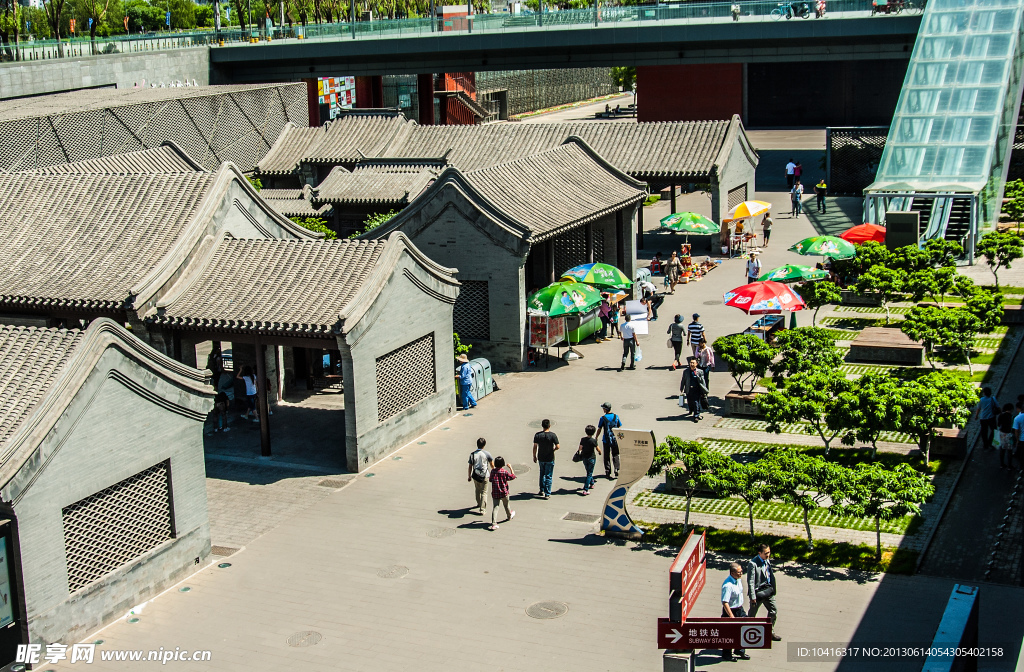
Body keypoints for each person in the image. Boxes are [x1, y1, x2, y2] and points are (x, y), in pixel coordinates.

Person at [747, 544, 782, 641]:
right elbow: (750, 581)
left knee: (773, 611)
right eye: (766, 553)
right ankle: (746, 632)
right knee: (752, 615)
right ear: (760, 553)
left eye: (769, 552)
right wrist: (752, 597)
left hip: (768, 591)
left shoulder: (767, 560)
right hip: (758, 594)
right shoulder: (753, 564)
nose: (768, 555)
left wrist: (773, 588)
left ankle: (770, 632)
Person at [721, 562, 751, 661]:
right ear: (732, 573)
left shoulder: (738, 580)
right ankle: (727, 654)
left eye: (741, 571)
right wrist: (731, 617)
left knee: (744, 628)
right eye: (739, 572)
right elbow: (725, 602)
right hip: (731, 611)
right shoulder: (728, 585)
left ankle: (740, 650)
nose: (741, 573)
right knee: (729, 633)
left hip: (739, 609)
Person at [533, 419, 559, 499]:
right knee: (549, 475)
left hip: (541, 457)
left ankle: (542, 490)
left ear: (542, 426)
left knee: (542, 474)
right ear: (549, 426)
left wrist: (534, 455)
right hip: (550, 457)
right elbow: (558, 446)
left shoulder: (537, 435)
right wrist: (553, 450)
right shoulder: (553, 435)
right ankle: (547, 493)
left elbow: (535, 446)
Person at [488, 456, 516, 531]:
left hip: (495, 492)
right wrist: (510, 468)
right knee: (506, 505)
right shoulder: (504, 472)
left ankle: (493, 523)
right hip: (504, 492)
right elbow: (513, 476)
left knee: (495, 507)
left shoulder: (493, 471)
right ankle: (509, 516)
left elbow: (490, 480)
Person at [468, 438, 493, 514]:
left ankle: (478, 503)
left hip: (475, 475)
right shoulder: (487, 454)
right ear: (484, 445)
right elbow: (492, 464)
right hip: (485, 475)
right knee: (484, 492)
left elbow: (470, 466)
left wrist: (469, 476)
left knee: (477, 490)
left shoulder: (472, 454)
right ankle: (482, 509)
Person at [597, 402, 622, 478]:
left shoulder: (603, 418)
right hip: (615, 439)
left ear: (605, 409)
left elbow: (599, 429)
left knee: (606, 456)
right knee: (615, 454)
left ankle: (608, 471)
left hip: (606, 440)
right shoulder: (616, 416)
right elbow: (620, 426)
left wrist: (596, 437)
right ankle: (617, 469)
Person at [577, 425, 601, 495]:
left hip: (584, 458)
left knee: (588, 471)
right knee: (589, 473)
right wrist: (600, 452)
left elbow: (580, 448)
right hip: (592, 458)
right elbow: (597, 448)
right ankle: (585, 489)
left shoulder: (583, 439)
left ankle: (592, 483)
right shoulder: (593, 441)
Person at [975, 387, 1000, 451]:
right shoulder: (993, 399)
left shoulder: (981, 400)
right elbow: (998, 406)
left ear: (984, 393)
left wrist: (976, 415)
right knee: (994, 430)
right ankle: (990, 442)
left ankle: (985, 444)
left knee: (984, 431)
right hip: (991, 417)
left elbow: (978, 408)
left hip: (983, 418)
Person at [998, 403, 1015, 469]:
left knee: (1002, 450)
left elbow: (999, 424)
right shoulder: (1012, 417)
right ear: (1011, 409)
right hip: (1009, 434)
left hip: (1002, 434)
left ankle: (1002, 464)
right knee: (1009, 451)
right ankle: (1009, 466)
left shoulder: (1001, 415)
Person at [1013, 401, 1024, 471]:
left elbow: (1016, 430)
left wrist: (1017, 440)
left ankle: (1021, 469)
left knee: (1022, 455)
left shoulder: (1017, 418)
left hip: (1022, 439)